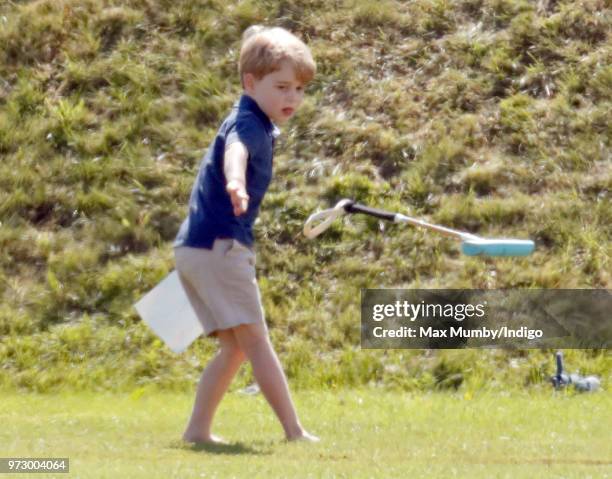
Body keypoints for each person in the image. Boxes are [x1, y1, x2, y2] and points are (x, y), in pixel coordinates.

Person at [172, 25, 319, 444]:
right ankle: (294, 432)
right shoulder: (249, 125)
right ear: (250, 83)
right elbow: (236, 152)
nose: (292, 97)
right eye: (282, 87)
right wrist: (235, 182)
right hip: (221, 246)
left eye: (300, 89)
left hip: (195, 247)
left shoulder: (248, 117)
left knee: (235, 347)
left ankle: (197, 431)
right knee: (255, 341)